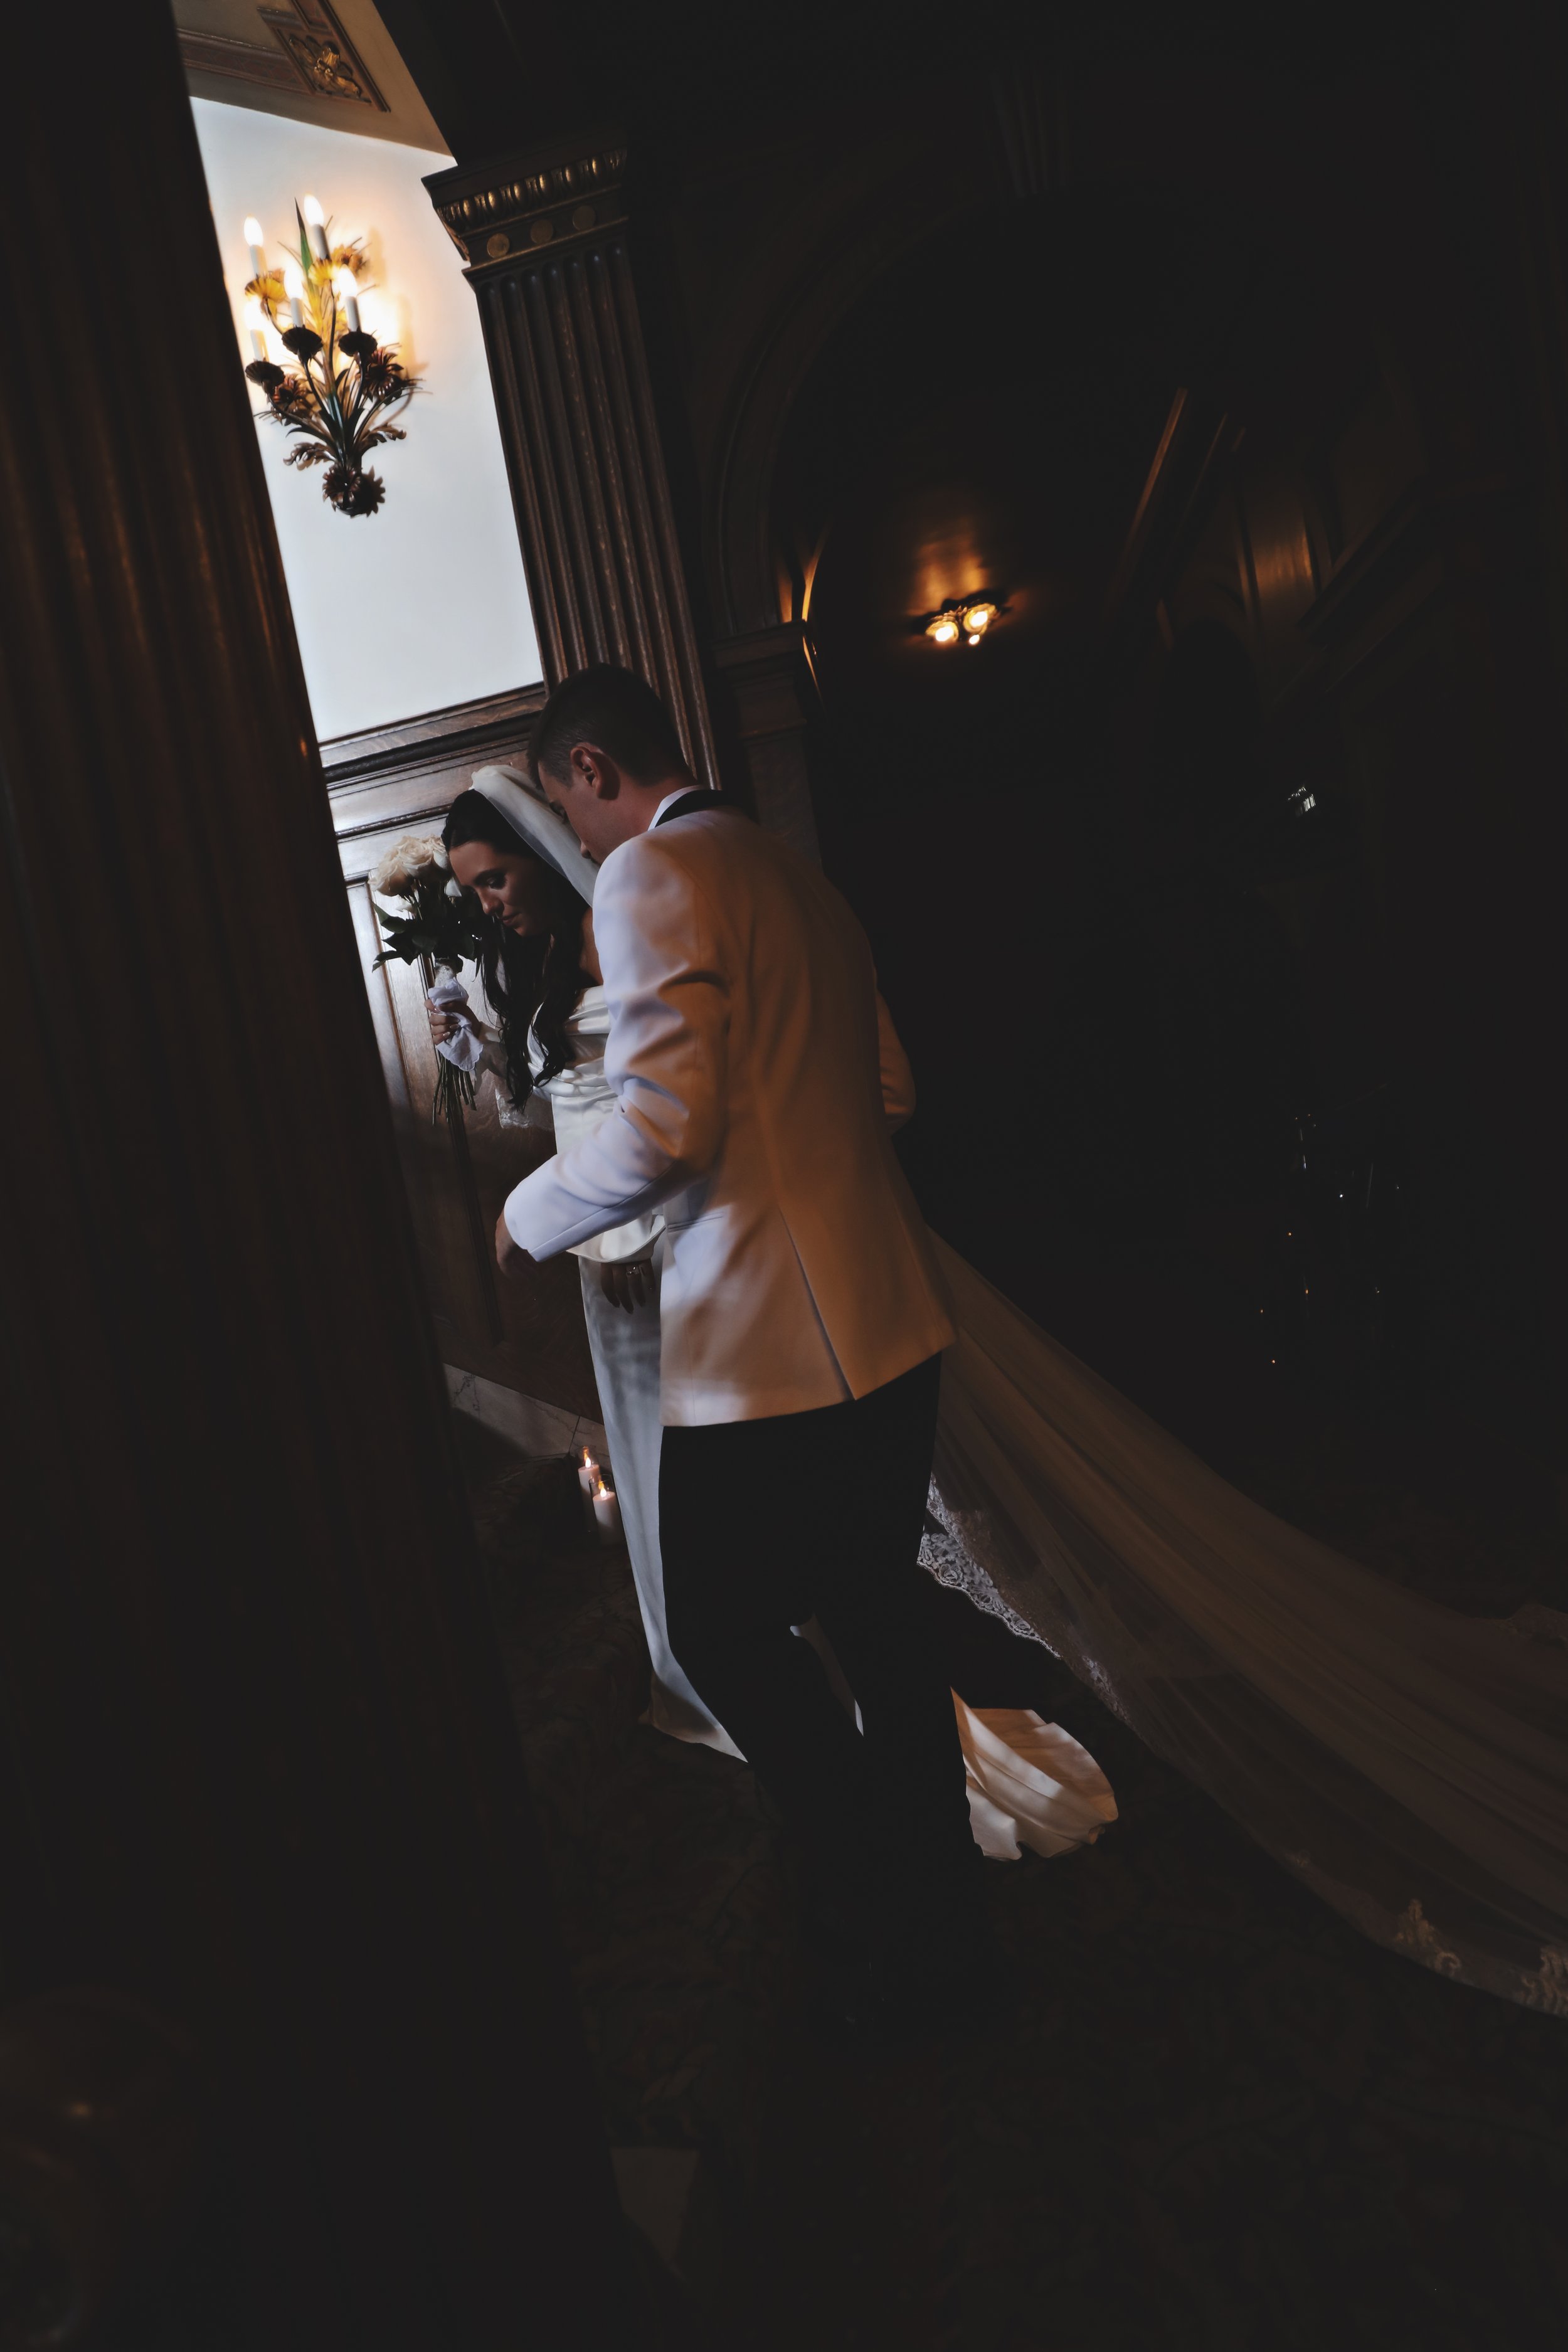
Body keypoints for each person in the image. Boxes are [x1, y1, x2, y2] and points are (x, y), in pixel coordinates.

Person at [494, 665, 995, 2025]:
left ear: (594, 768)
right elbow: (889, 1089)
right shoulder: (799, 880)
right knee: (878, 1625)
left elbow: (666, 1124)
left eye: (569, 807)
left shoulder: (652, 873)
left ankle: (863, 1893)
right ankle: (943, 1935)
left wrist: (527, 1216)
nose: (578, 837)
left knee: (716, 1626)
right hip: (889, 1313)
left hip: (773, 1349)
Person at [428, 770, 741, 1756]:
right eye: (472, 890)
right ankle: (688, 1674)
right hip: (594, 1251)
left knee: (698, 1459)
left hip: (661, 1239)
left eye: (495, 879)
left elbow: (660, 1111)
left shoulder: (624, 928)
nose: (488, 904)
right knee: (641, 1461)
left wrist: (616, 1236)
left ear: (538, 854)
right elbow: (551, 1105)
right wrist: (480, 1052)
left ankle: (751, 1665)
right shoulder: (525, 960)